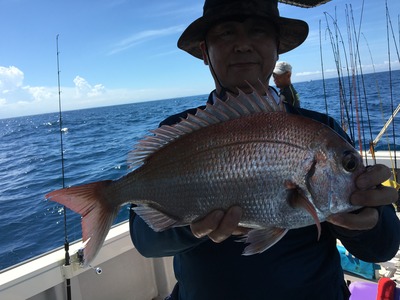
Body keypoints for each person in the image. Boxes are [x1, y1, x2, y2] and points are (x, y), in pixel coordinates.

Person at [130, 0, 400, 299]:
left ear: (277, 47)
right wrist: (191, 228)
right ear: (205, 53)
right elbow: (144, 240)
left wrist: (365, 222)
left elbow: (384, 247)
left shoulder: (321, 130)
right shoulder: (178, 132)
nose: (243, 44)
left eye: (258, 31)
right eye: (226, 33)